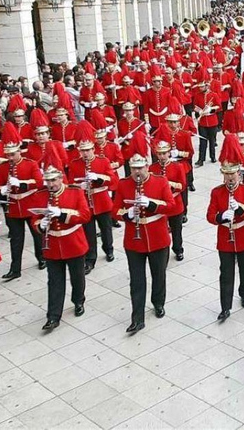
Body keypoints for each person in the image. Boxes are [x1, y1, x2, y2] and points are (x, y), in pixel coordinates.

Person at [112, 134, 175, 333]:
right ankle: (137, 317)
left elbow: (171, 206)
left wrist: (153, 204)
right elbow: (115, 210)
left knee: (159, 275)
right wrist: (128, 214)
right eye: (133, 168)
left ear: (147, 166)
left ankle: (158, 302)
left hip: (157, 237)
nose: (137, 172)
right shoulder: (124, 184)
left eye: (140, 168)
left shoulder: (160, 181)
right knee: (137, 280)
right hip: (134, 240)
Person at [29, 143, 90, 331]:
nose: (51, 184)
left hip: (73, 241)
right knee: (54, 281)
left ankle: (78, 300)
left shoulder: (74, 192)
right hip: (52, 244)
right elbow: (34, 218)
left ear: (61, 178)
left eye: (54, 180)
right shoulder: (41, 195)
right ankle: (53, 315)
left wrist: (63, 215)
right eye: (48, 181)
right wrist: (40, 225)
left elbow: (85, 215)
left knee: (77, 277)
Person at [207, 135, 244, 321]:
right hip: (225, 237)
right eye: (226, 174)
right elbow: (210, 216)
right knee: (226, 272)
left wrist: (240, 209)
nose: (229, 177)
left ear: (239, 173)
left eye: (232, 174)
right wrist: (221, 217)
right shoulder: (217, 192)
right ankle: (225, 306)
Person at [67, 121, 118, 273]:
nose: (85, 153)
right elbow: (70, 184)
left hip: (101, 200)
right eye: (83, 151)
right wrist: (79, 187)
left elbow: (113, 180)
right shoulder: (75, 164)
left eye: (88, 150)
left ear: (93, 149)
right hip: (85, 202)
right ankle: (90, 259)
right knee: (88, 233)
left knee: (106, 229)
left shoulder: (102, 161)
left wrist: (98, 178)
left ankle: (108, 249)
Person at [0, 123, 45, 279]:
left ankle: (42, 258)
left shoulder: (30, 163)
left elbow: (38, 182)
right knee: (16, 240)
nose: (10, 158)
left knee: (37, 234)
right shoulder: (4, 166)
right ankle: (15, 268)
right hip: (13, 206)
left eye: (13, 154)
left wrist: (23, 183)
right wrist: (3, 188)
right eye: (8, 155)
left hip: (29, 202)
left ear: (19, 151)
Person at [150, 132, 186, 262]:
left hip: (175, 203)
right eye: (159, 154)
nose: (162, 156)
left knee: (177, 230)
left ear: (169, 153)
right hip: (160, 204)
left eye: (164, 153)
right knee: (162, 231)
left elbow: (182, 185)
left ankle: (178, 249)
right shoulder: (153, 168)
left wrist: (168, 183)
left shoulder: (177, 166)